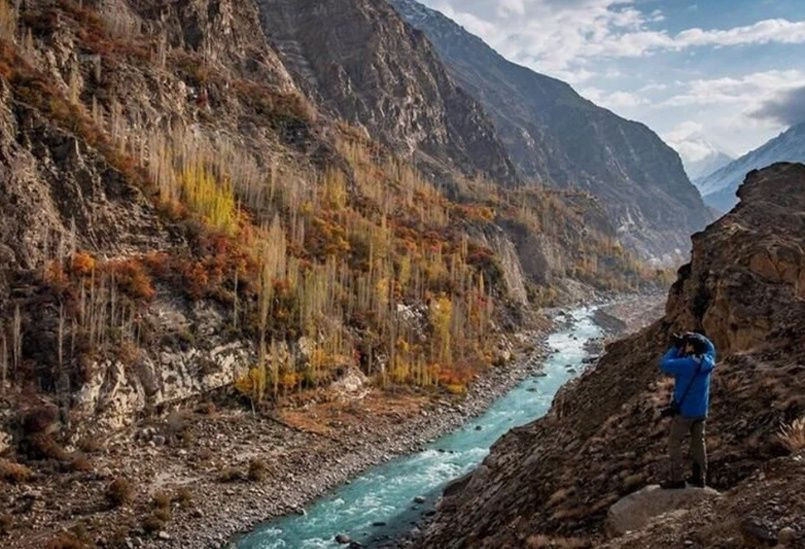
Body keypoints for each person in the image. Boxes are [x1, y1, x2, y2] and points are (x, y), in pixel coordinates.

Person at [658, 331, 716, 489]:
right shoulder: (709, 361)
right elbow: (710, 347)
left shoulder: (686, 364)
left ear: (691, 347)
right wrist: (697, 338)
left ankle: (677, 479)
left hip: (684, 412)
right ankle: (700, 478)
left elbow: (664, 364)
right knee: (699, 442)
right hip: (701, 411)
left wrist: (676, 347)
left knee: (674, 443)